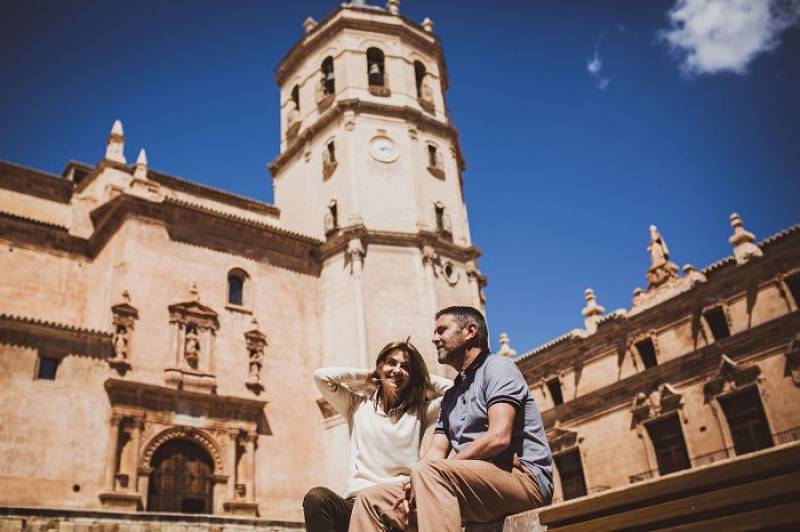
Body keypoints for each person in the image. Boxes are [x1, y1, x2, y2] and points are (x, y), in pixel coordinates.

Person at [350, 306, 553, 531]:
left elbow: (499, 436)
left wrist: (429, 473)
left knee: (428, 473)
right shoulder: (451, 396)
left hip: (523, 482)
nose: (434, 338)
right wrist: (411, 483)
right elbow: (436, 451)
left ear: (470, 331)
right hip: (470, 485)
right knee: (371, 500)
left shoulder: (498, 368)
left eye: (442, 330)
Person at [303, 338, 452, 532]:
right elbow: (321, 377)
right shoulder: (355, 405)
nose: (397, 370)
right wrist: (367, 376)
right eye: (391, 363)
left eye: (406, 367)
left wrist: (421, 378)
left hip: (395, 503)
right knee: (317, 498)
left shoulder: (420, 412)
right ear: (380, 367)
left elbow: (454, 390)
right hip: (356, 503)